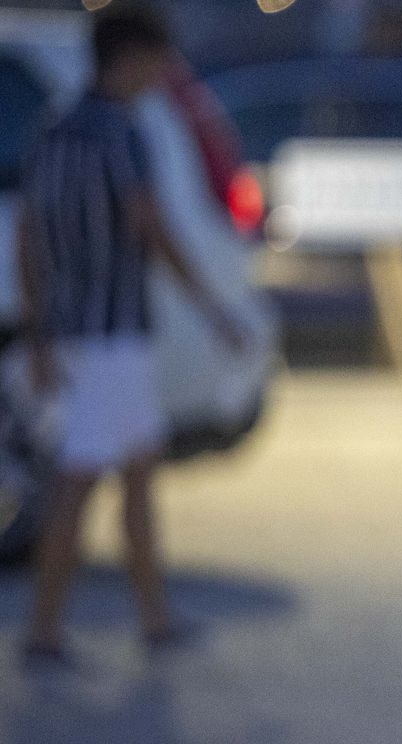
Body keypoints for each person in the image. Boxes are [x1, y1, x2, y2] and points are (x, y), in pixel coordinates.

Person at [16, 4, 243, 666]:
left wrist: (37, 335)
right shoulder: (121, 132)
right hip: (113, 335)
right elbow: (149, 224)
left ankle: (153, 618)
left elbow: (29, 240)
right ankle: (44, 630)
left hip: (73, 330)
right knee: (79, 483)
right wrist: (212, 307)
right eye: (156, 60)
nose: (162, 73)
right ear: (129, 57)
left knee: (136, 472)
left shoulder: (53, 129)